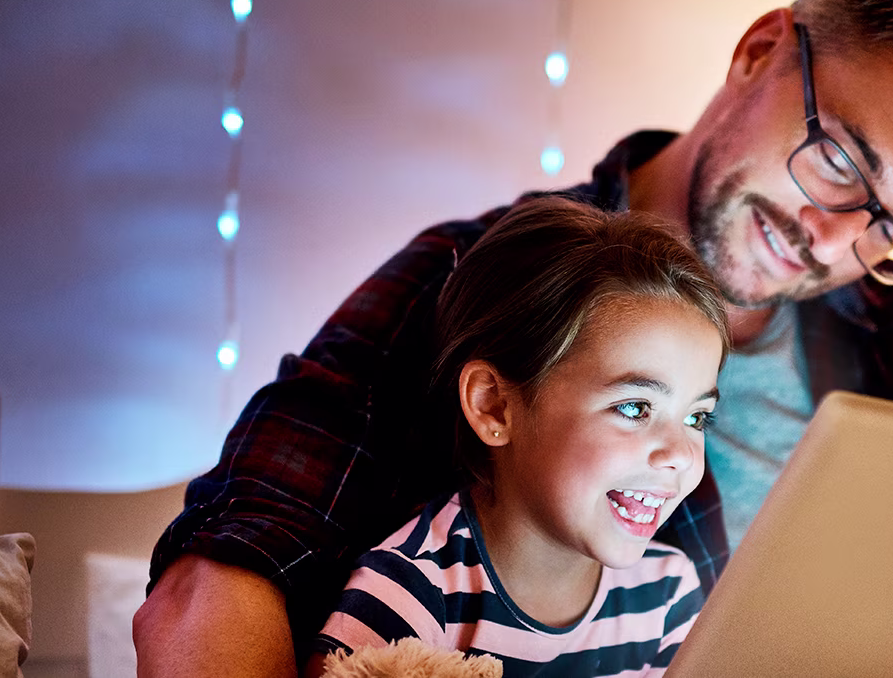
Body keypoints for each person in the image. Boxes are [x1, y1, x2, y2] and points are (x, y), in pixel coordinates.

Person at [135, 0, 893, 678]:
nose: (833, 233)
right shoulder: (485, 281)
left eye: (891, 225)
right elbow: (232, 561)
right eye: (843, 159)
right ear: (761, 50)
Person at [307, 198, 724, 676]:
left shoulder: (669, 594)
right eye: (634, 407)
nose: (680, 456)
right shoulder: (407, 595)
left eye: (696, 418)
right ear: (494, 406)